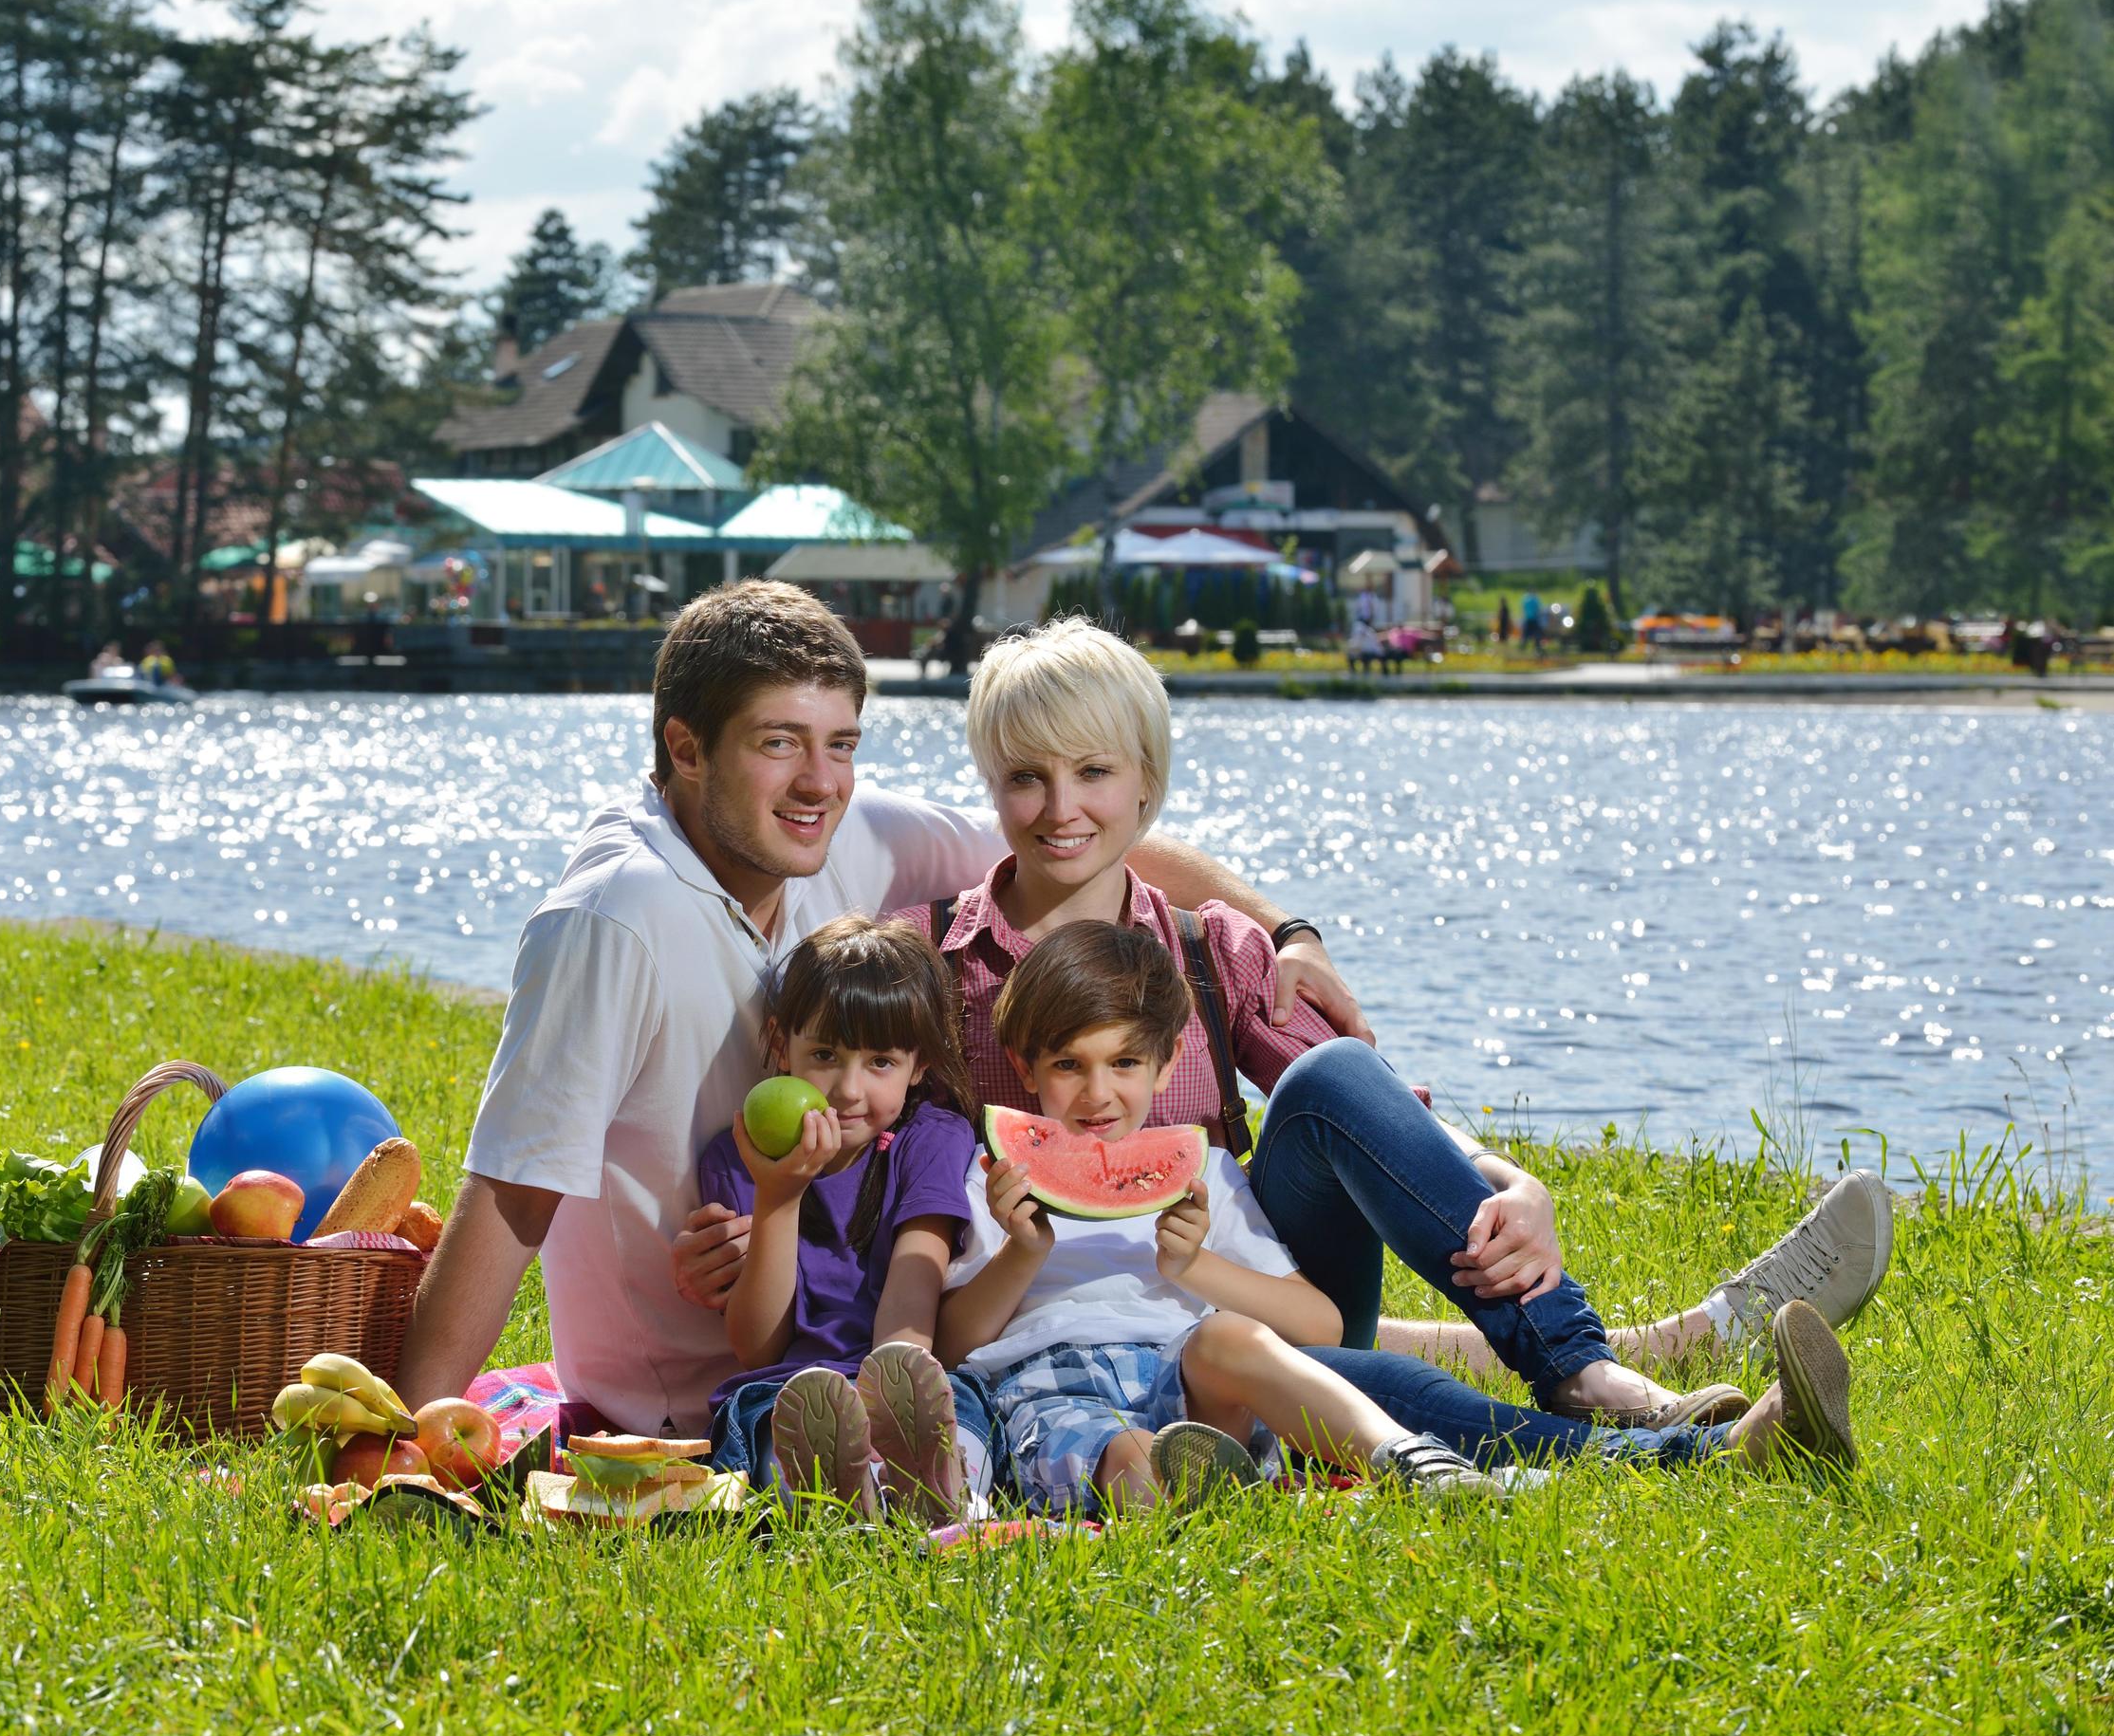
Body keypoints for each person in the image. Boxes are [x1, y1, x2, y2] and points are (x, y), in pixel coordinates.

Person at [393, 581, 1367, 1433]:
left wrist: (1287, 929)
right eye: (779, 744)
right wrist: (412, 1426)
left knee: (1318, 1344)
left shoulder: (836, 829)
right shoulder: (614, 917)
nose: (819, 782)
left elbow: (1081, 834)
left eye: (841, 745)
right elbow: (514, 1188)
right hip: (689, 1391)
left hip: (878, 1329)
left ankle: (1456, 1377)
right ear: (685, 750)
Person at [881, 618, 1889, 1421]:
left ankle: (1581, 1365)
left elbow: (1368, 1103)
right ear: (991, 785)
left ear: (1148, 786)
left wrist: (1511, 1178)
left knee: (1322, 1079)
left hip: (1258, 1286)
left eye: (1094, 772)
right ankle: (1674, 1362)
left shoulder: (1213, 948)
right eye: (1027, 777)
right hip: (1048, 1314)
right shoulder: (927, 961)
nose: (1062, 807)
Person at [945, 922, 1862, 1513]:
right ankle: (1704, 1454)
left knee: (1285, 1352)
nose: (1098, 1096)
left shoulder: (1209, 1173)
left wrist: (1195, 1272)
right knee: (1165, 1435)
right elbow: (948, 1341)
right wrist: (1021, 1253)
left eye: (1122, 1066)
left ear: (1160, 1067)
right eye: (1068, 1067)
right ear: (1023, 1069)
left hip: (1212, 1375)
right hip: (1054, 1390)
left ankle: (1659, 1445)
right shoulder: (986, 1186)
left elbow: (1320, 1319)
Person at [698, 914, 984, 1521]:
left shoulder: (932, 1138)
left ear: (921, 1067)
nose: (849, 1090)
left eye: (881, 1062)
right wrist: (778, 1196)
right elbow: (757, 1346)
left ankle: (930, 1487)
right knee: (775, 1428)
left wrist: (884, 1390)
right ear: (781, 1044)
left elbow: (915, 1291)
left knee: (964, 1419)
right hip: (792, 1386)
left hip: (912, 1380)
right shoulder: (737, 1157)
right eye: (825, 1054)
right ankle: (848, 1498)